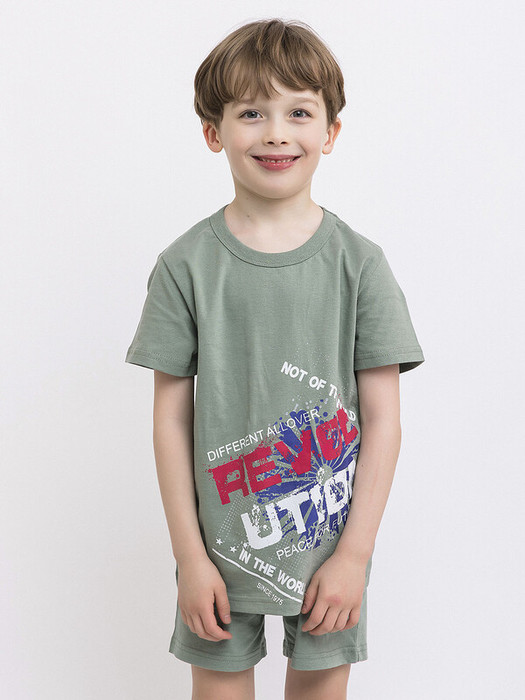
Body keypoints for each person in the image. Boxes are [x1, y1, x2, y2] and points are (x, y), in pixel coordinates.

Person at [125, 17, 425, 700]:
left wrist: (354, 556)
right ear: (214, 132)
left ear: (331, 132)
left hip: (328, 548)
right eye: (251, 113)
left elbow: (384, 421)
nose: (276, 133)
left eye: (298, 112)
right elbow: (170, 420)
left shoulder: (360, 266)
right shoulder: (184, 266)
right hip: (218, 551)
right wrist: (189, 557)